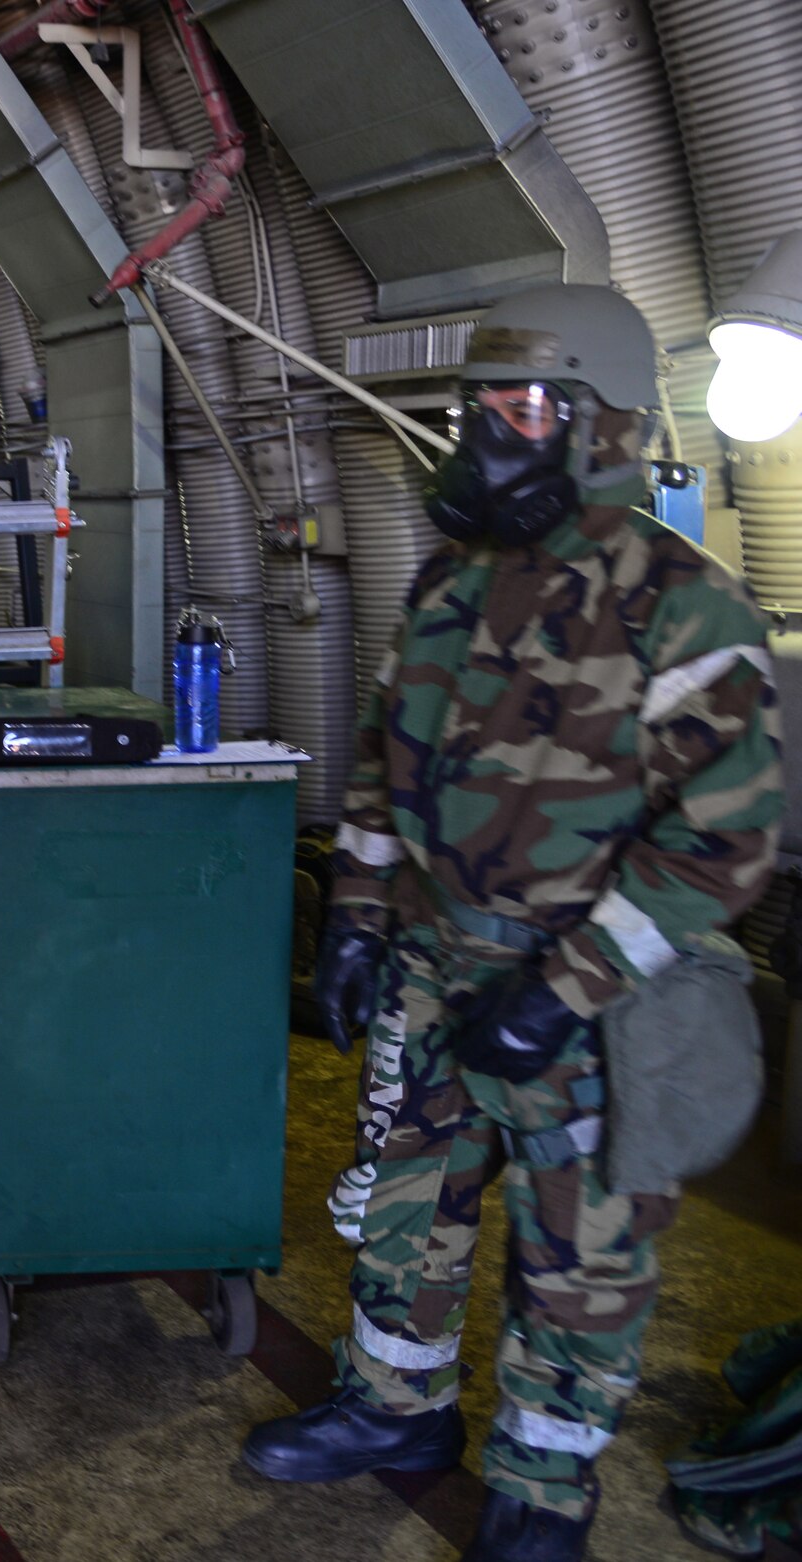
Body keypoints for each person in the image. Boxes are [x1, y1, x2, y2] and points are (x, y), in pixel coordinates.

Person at [241, 283, 783, 1560]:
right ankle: (394, 1407)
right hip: (437, 962)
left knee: (577, 1251)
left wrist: (567, 988)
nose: (489, 434)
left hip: (598, 993)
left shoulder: (684, 605)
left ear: (603, 427)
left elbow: (720, 843)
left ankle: (542, 1485)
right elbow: (383, 764)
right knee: (402, 1205)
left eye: (524, 405)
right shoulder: (447, 581)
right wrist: (360, 918)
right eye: (475, 406)